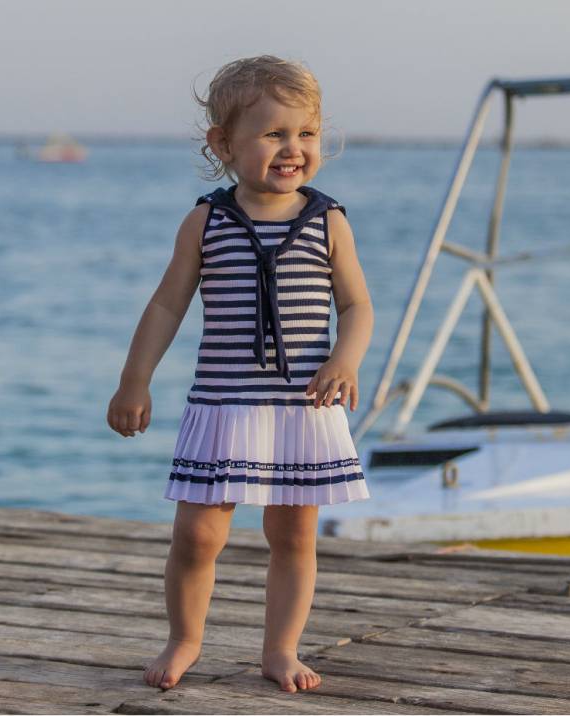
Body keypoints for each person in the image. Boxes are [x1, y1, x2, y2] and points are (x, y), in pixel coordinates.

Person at [107, 55, 373, 694]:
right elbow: (167, 304)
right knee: (197, 534)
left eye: (306, 133)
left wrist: (345, 358)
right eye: (273, 133)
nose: (293, 148)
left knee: (294, 535)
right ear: (223, 144)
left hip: (302, 406)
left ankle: (281, 649)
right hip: (224, 404)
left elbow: (357, 305)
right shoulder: (207, 221)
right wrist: (135, 380)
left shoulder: (329, 221)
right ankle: (184, 638)